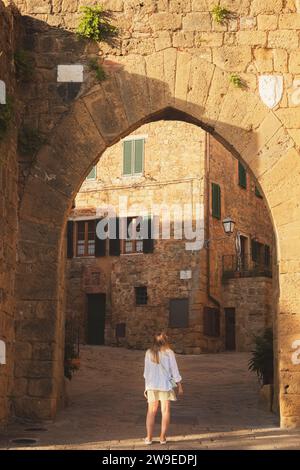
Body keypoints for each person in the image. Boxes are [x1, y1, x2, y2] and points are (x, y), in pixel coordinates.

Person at [143, 332, 183, 445]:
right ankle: (162, 437)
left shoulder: (148, 353)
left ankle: (149, 438)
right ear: (166, 341)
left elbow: (146, 373)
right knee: (165, 411)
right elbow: (174, 371)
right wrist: (179, 385)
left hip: (152, 386)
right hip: (165, 386)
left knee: (151, 412)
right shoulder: (169, 353)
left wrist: (146, 388)